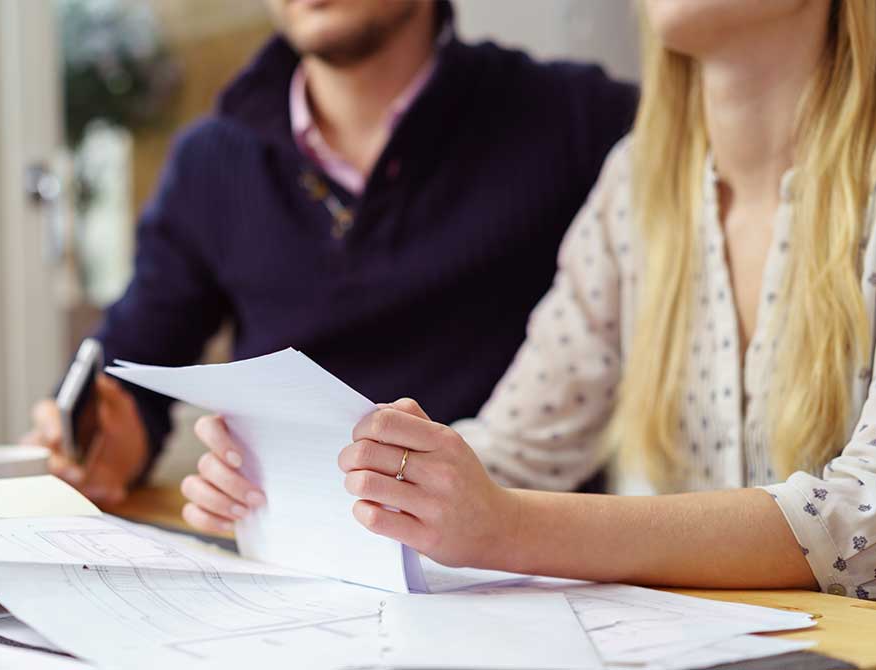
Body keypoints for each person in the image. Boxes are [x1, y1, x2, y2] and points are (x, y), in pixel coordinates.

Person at [186, 0, 876, 599]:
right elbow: (516, 450)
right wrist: (296, 480)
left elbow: (862, 523)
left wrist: (508, 527)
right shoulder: (634, 189)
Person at [25, 0, 637, 505]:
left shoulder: (579, 122)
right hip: (289, 555)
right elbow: (138, 360)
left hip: (514, 559)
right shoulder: (212, 161)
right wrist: (111, 440)